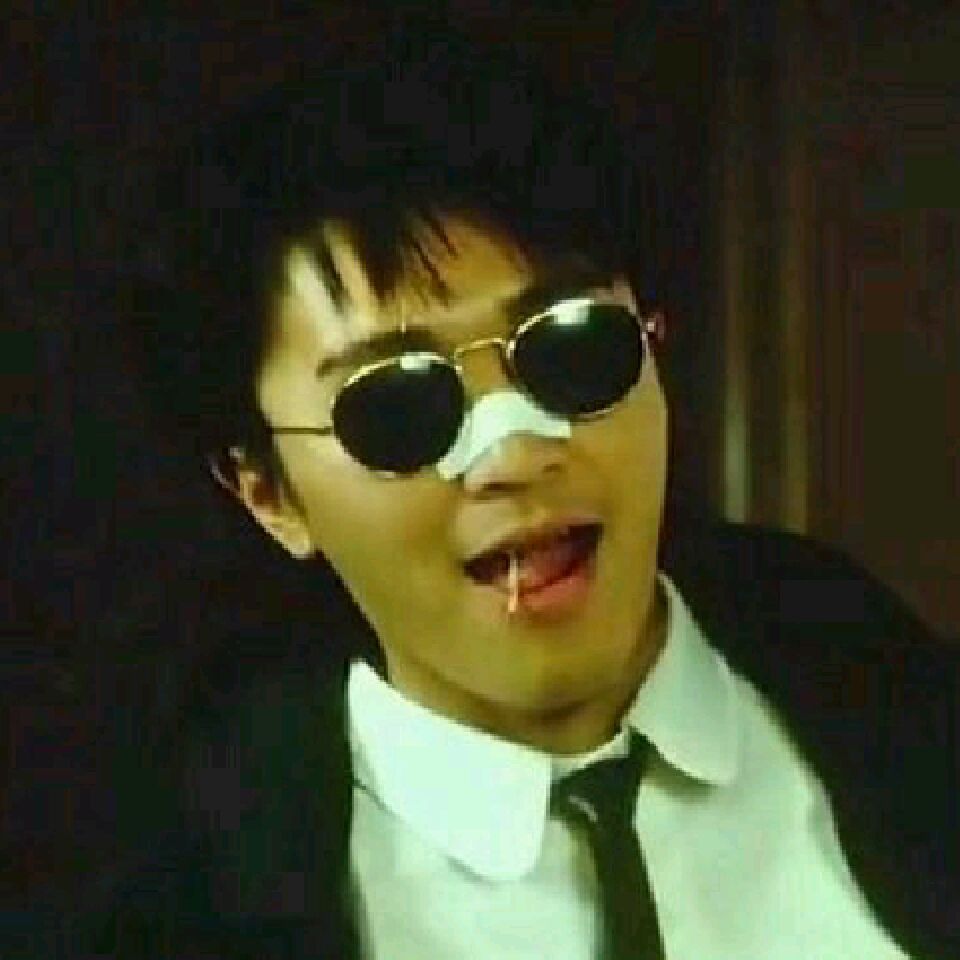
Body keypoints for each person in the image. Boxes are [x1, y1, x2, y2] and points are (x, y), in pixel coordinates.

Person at [6, 24, 957, 960]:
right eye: (396, 406)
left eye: (572, 346)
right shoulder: (178, 904)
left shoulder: (896, 708)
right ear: (269, 495)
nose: (512, 454)